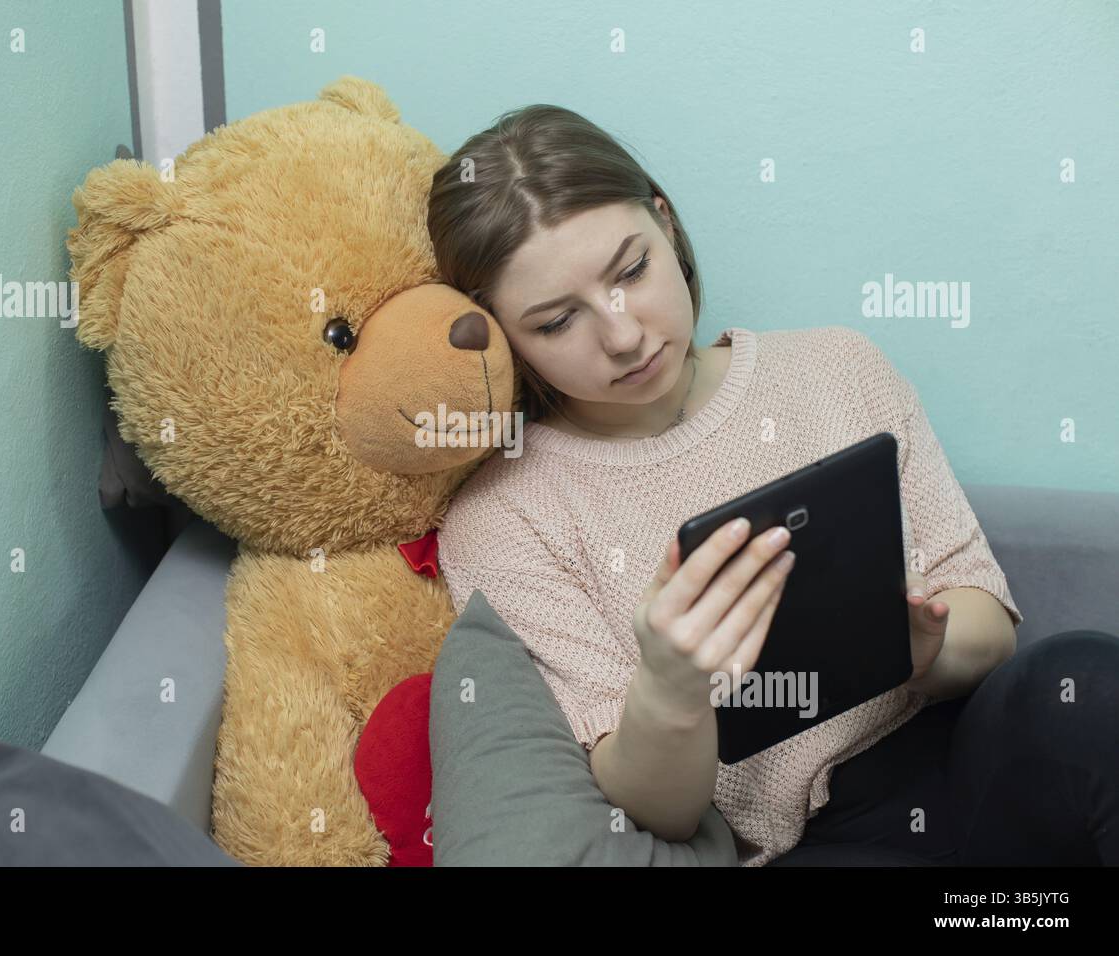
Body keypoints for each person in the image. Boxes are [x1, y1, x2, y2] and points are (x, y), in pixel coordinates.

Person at [425, 103, 1119, 866]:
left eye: (632, 271)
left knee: (1083, 679)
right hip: (811, 843)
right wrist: (669, 687)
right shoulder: (504, 517)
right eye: (557, 322)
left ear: (668, 225)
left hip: (966, 756)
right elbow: (664, 813)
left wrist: (921, 647)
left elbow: (994, 629)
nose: (623, 336)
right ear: (499, 336)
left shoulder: (837, 368)